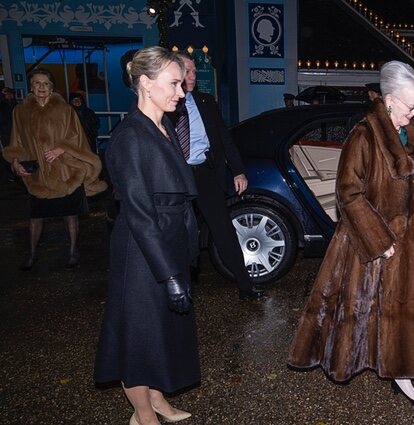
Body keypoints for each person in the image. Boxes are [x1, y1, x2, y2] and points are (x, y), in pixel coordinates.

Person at [288, 60, 414, 409]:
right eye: (412, 106)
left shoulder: (407, 130)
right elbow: (348, 193)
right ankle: (345, 364)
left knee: (398, 309)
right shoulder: (364, 135)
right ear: (389, 100)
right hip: (370, 241)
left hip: (405, 240)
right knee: (358, 310)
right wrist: (379, 241)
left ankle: (400, 373)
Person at [94, 46, 199, 425]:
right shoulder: (130, 136)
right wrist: (168, 275)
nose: (181, 92)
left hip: (166, 241)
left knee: (161, 332)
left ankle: (158, 400)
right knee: (137, 338)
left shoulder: (163, 126)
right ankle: (142, 416)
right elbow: (139, 213)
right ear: (144, 83)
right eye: (173, 83)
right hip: (141, 251)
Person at [169, 52, 264, 300]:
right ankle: (177, 289)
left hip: (205, 174)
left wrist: (238, 170)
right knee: (178, 233)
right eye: (187, 71)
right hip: (176, 178)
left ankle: (246, 286)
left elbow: (224, 138)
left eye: (193, 71)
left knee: (223, 230)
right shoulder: (166, 105)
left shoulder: (206, 101)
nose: (192, 76)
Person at [2, 69, 106, 270]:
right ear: (30, 86)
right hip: (39, 174)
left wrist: (62, 148)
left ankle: (73, 251)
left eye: (46, 83)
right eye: (37, 83)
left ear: (52, 87)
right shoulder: (20, 112)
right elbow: (16, 140)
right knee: (36, 216)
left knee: (70, 215)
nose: (41, 87)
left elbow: (77, 137)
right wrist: (14, 161)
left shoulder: (66, 110)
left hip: (66, 171)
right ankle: (31, 253)